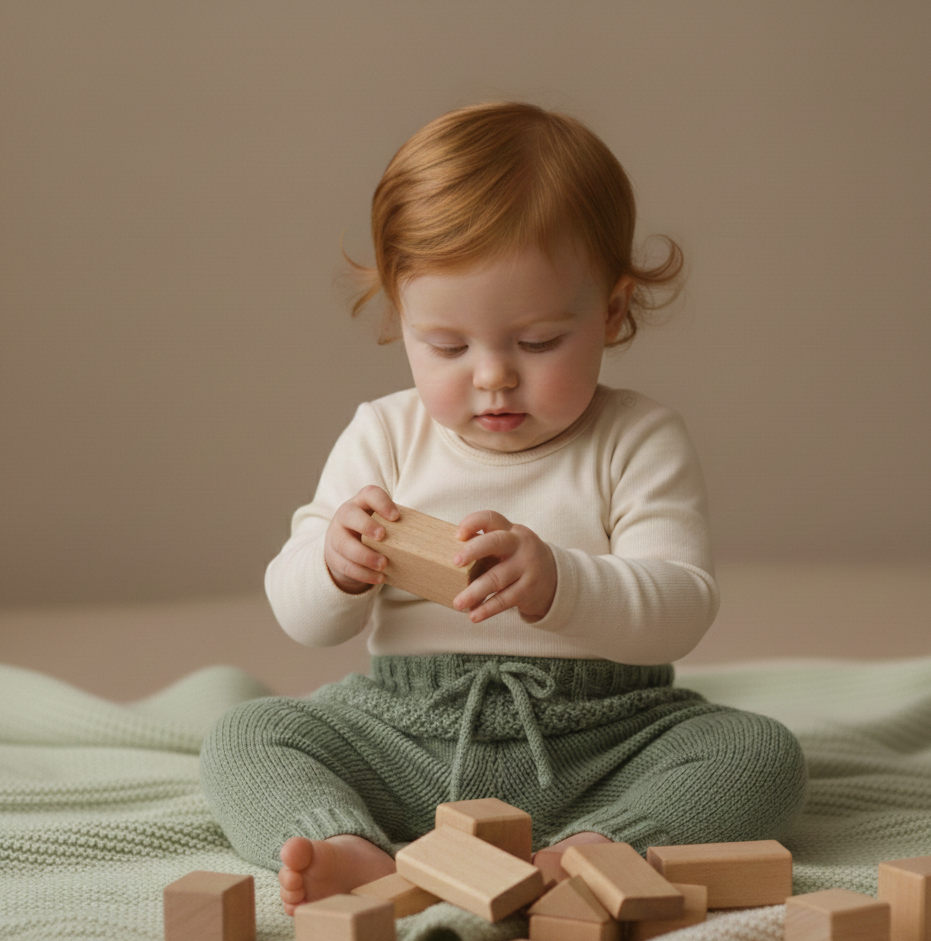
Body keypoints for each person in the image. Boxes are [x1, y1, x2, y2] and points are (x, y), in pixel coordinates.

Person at [200, 101, 807, 916]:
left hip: (602, 736)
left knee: (759, 752)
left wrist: (559, 583)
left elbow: (680, 607)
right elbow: (302, 617)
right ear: (400, 315)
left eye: (537, 342)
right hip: (408, 730)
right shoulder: (383, 433)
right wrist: (336, 566)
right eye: (446, 346)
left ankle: (592, 852)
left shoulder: (637, 437)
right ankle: (353, 848)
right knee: (245, 732)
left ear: (612, 310)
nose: (491, 376)